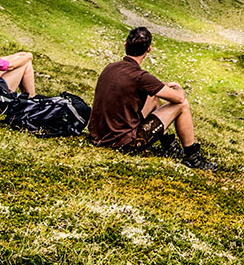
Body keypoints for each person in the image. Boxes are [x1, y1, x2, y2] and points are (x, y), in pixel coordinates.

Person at [87, 26, 215, 170]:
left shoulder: (110, 67)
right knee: (183, 105)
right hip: (123, 143)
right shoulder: (141, 76)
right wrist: (177, 87)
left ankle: (168, 145)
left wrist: (158, 87)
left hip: (98, 135)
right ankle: (192, 157)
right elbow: (178, 98)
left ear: (125, 45)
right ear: (148, 49)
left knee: (153, 96)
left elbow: (138, 88)